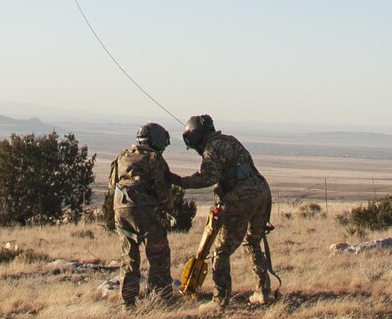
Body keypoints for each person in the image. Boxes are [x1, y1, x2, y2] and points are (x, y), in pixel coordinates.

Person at [174, 114, 275, 307]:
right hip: (261, 192)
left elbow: (208, 177)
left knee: (221, 251)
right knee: (252, 243)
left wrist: (180, 182)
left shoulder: (212, 148)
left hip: (240, 198)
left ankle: (219, 301)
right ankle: (263, 292)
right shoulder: (230, 141)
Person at [107, 122, 178, 306]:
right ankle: (160, 299)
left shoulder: (122, 156)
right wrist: (169, 210)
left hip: (120, 209)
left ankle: (128, 303)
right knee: (159, 256)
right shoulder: (155, 158)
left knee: (129, 258)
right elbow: (163, 191)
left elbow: (111, 184)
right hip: (145, 211)